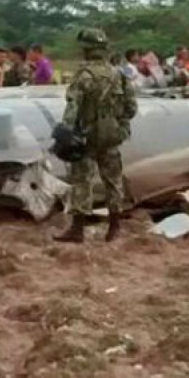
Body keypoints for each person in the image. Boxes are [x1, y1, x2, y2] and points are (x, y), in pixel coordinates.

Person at [54, 28, 136, 243]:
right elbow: (132, 108)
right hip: (111, 136)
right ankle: (114, 228)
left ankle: (78, 230)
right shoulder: (119, 74)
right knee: (113, 181)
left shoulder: (84, 75)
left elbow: (73, 107)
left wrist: (66, 133)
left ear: (86, 50)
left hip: (87, 136)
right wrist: (118, 125)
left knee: (82, 180)